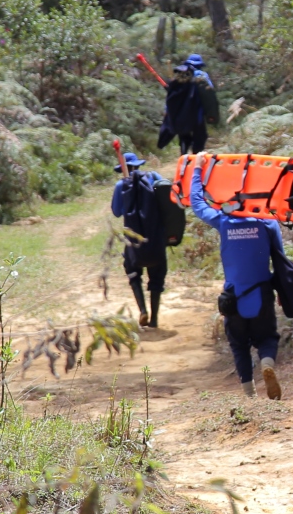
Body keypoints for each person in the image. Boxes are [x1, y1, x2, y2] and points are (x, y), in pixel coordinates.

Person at [189, 164, 283, 399]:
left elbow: (197, 203)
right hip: (262, 293)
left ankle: (249, 395)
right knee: (267, 337)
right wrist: (282, 290)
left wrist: (199, 170)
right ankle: (267, 364)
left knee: (239, 344)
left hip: (233, 297)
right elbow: (280, 260)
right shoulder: (268, 223)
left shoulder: (223, 221)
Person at [111, 152, 168, 328]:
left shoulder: (121, 185)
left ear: (123, 169)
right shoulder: (154, 177)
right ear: (138, 165)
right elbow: (167, 197)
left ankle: (143, 310)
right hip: (156, 238)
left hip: (134, 241)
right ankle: (155, 318)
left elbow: (117, 211)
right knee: (157, 275)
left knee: (132, 270)